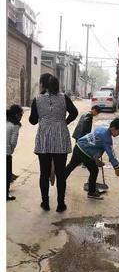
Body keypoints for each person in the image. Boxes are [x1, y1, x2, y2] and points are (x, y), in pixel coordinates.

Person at [29, 73, 78, 213]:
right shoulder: (64, 98)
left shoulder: (37, 99)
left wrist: (42, 118)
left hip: (44, 138)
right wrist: (63, 123)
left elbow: (32, 120)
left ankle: (45, 203)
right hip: (60, 139)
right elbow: (74, 112)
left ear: (43, 84)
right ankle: (60, 204)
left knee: (44, 173)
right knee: (60, 173)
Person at [65, 118, 119, 200]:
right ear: (113, 128)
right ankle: (91, 192)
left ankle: (60, 181)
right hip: (84, 152)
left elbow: (94, 144)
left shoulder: (101, 129)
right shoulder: (107, 139)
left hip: (78, 146)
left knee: (71, 166)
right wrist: (116, 167)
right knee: (94, 170)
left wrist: (96, 158)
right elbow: (111, 155)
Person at [6, 105, 23, 201]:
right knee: (7, 174)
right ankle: (6, 195)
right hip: (6, 153)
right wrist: (10, 151)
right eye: (21, 114)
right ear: (17, 115)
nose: (21, 116)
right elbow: (13, 142)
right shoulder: (15, 125)